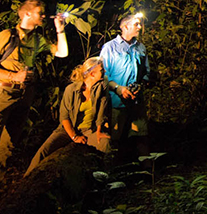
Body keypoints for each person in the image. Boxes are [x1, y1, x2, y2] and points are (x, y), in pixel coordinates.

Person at [0, 0, 69, 214]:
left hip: (24, 95)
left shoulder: (37, 38)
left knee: (8, 147)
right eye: (40, 12)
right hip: (2, 92)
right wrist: (13, 75)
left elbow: (62, 53)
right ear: (27, 14)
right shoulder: (7, 36)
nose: (43, 16)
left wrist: (60, 31)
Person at [24, 56, 111, 175]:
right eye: (101, 70)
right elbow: (64, 117)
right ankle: (27, 177)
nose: (104, 72)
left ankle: (103, 177)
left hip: (89, 129)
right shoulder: (71, 90)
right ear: (92, 73)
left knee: (104, 144)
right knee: (44, 151)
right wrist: (74, 137)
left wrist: (99, 130)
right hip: (68, 128)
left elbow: (102, 109)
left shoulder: (102, 85)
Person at [99, 11, 150, 162]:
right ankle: (113, 171)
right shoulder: (109, 48)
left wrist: (140, 85)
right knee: (115, 137)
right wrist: (119, 89)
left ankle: (147, 171)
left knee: (141, 135)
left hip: (136, 101)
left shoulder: (140, 48)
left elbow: (146, 72)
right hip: (116, 102)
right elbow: (102, 75)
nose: (139, 27)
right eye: (136, 24)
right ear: (125, 27)